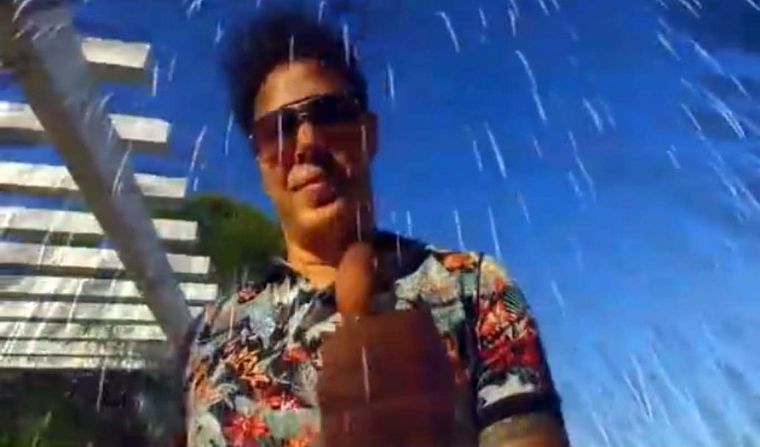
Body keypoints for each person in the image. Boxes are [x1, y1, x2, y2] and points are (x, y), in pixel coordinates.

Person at [182, 10, 568, 447]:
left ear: (369, 133)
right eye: (278, 129)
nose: (307, 142)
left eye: (329, 114)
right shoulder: (209, 336)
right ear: (261, 162)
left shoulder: (475, 288)